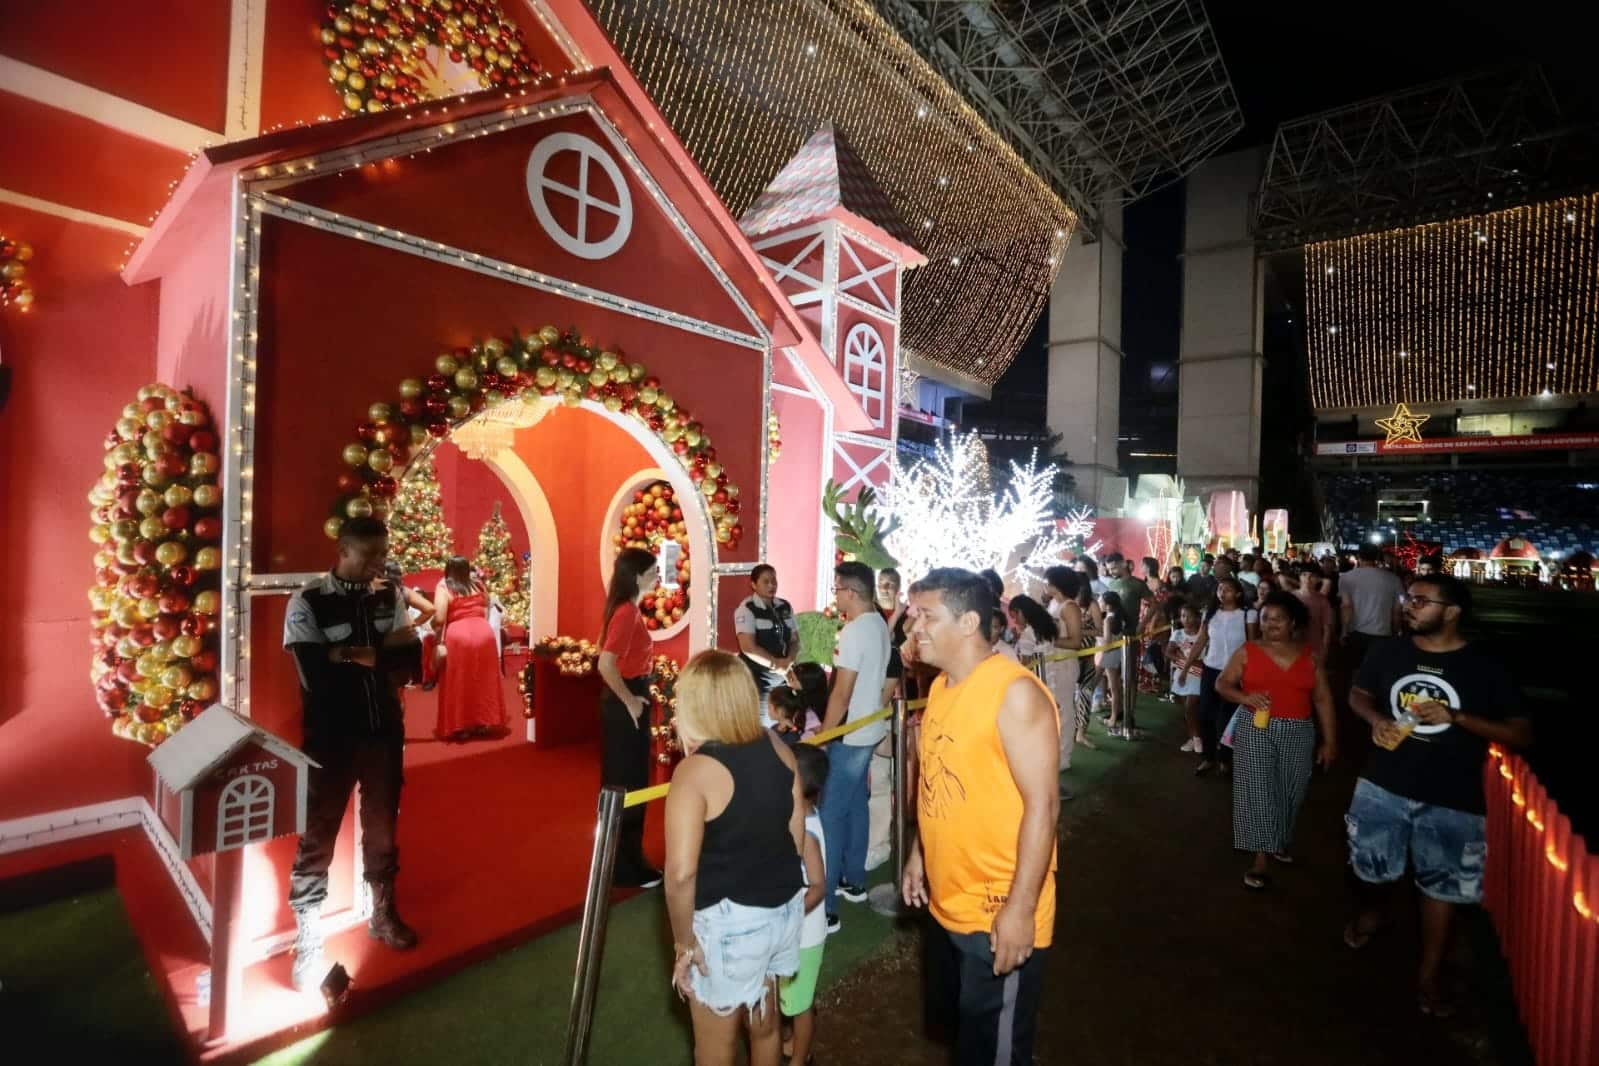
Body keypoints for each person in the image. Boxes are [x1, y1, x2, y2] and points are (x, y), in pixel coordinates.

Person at [1342, 574, 1531, 1017]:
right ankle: (1375, 909)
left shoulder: (1485, 667)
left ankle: (1429, 973)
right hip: (1381, 784)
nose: (1409, 605)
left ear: (1452, 612)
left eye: (1421, 600)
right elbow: (1358, 693)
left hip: (1453, 797)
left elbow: (1521, 732)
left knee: (1442, 888)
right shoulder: (1388, 650)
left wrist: (1456, 715)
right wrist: (1373, 719)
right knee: (1369, 867)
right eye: (1409, 597)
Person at [900, 568, 1060, 1065]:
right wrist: (917, 853)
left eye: (926, 616)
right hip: (948, 901)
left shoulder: (1014, 693)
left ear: (969, 622)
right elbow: (939, 781)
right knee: (967, 1036)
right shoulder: (945, 686)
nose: (914, 628)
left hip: (997, 909)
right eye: (912, 615)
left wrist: (1019, 910)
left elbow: (1044, 806)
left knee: (996, 1050)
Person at [283, 516, 422, 992]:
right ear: (344, 549)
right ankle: (308, 939)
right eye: (370, 555)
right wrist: (372, 654)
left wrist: (350, 654)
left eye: (382, 554)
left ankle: (383, 915)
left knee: (383, 829)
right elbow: (313, 676)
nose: (379, 563)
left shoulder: (390, 597)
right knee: (318, 832)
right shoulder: (307, 601)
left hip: (384, 732)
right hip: (330, 738)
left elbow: (410, 665)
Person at [663, 650, 805, 1066]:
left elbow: (681, 875)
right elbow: (795, 826)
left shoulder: (695, 771)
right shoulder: (776, 744)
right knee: (765, 1027)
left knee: (714, 1047)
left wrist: (684, 943)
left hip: (728, 922)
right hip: (783, 909)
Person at [1215, 592, 1337, 890]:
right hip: (1255, 727)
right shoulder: (1248, 651)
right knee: (1258, 789)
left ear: (1293, 623)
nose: (1270, 624)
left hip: (1299, 730)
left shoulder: (1310, 656)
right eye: (1266, 618)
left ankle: (1278, 840)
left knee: (1291, 788)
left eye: (1278, 619)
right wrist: (1245, 697)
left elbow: (1323, 699)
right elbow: (1222, 684)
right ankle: (1260, 857)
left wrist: (1330, 742)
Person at [819, 562, 891, 931]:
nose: (836, 597)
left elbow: (841, 693)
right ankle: (854, 880)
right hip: (870, 728)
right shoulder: (878, 623)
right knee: (855, 807)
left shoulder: (854, 631)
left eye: (837, 590)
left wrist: (822, 737)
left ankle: (827, 907)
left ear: (850, 592)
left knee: (830, 816)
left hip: (850, 735)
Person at [598, 547, 664, 888]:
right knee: (629, 784)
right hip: (627, 704)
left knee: (630, 782)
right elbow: (605, 663)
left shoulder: (627, 610)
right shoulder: (626, 613)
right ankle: (626, 864)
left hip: (629, 699)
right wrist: (630, 701)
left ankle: (625, 859)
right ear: (637, 575)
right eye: (653, 570)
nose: (658, 576)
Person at [780, 744, 830, 1066]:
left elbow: (818, 887)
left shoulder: (808, 834)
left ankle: (801, 1057)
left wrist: (789, 917)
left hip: (804, 935)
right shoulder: (802, 815)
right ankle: (792, 1044)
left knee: (800, 1005)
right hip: (793, 931)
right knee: (791, 997)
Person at [1182, 577, 1259, 775]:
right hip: (1211, 669)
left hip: (1235, 672)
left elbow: (1252, 645)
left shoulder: (1247, 614)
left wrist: (1252, 673)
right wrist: (1185, 668)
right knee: (1205, 714)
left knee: (1229, 716)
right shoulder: (1211, 614)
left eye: (1228, 589)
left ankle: (1226, 759)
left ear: (1239, 593)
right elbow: (1200, 642)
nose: (1222, 593)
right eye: (1220, 589)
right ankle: (1209, 757)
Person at [430, 555, 508, 741]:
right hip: (484, 634)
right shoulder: (479, 585)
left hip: (459, 636)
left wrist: (432, 628)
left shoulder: (444, 587)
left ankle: (461, 725)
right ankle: (483, 722)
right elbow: (486, 607)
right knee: (483, 679)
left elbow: (440, 618)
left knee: (459, 680)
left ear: (448, 570)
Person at [1009, 594, 1077, 791]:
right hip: (1057, 676)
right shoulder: (1048, 625)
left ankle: (1046, 766)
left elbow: (1025, 664)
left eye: (1015, 615)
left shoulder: (1029, 634)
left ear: (1023, 612)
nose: (1015, 620)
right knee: (1063, 718)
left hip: (1041, 683)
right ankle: (1062, 758)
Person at [733, 564, 799, 728]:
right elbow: (748, 647)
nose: (772, 585)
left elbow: (795, 640)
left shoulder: (784, 606)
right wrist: (775, 664)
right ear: (753, 585)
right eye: (766, 581)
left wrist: (788, 661)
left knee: (784, 724)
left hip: (783, 678)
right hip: (758, 681)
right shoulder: (746, 609)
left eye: (774, 580)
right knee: (761, 728)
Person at [1104, 553, 1152, 733]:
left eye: (1114, 568)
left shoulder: (1137, 584)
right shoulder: (1112, 584)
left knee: (1130, 676)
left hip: (1130, 636)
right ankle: (1116, 714)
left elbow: (1154, 603)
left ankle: (1129, 713)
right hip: (1114, 636)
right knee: (1113, 677)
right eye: (1109, 569)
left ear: (1124, 563)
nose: (1112, 572)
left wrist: (1142, 623)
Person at [1339, 544, 1405, 666]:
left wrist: (1344, 631)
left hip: (1356, 632)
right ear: (1377, 557)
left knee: (1356, 669)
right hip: (1383, 633)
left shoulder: (1347, 577)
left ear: (1358, 556)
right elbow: (1397, 610)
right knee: (1378, 670)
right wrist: (1396, 631)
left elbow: (1346, 606)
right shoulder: (1393, 579)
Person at [1167, 602, 1205, 753]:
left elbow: (1204, 659)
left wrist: (1188, 660)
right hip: (1182, 674)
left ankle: (1197, 737)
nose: (1186, 619)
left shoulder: (1203, 634)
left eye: (1189, 616)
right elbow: (1169, 652)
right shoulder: (1178, 634)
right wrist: (1182, 660)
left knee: (1191, 706)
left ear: (1197, 618)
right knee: (1187, 710)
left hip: (1198, 674)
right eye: (1183, 616)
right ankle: (1193, 737)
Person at [1293, 564, 1333, 662]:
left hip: (1314, 647)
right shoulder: (1290, 597)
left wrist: (1324, 651)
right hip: (1292, 647)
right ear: (1300, 577)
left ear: (1318, 579)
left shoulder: (1322, 600)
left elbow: (1327, 628)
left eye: (1312, 576)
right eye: (1304, 574)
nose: (1308, 578)